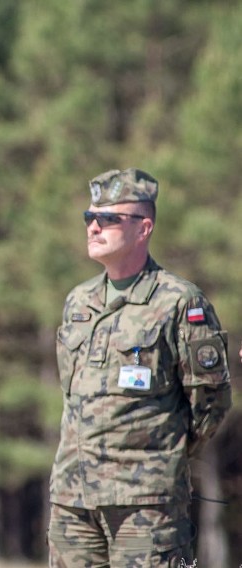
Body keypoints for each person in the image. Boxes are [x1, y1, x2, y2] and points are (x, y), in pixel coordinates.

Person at [47, 168, 232, 566]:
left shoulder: (179, 303)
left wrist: (159, 458)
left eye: (109, 218)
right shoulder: (79, 303)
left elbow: (210, 403)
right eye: (89, 218)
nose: (94, 227)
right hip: (72, 501)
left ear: (143, 227)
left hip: (144, 504)